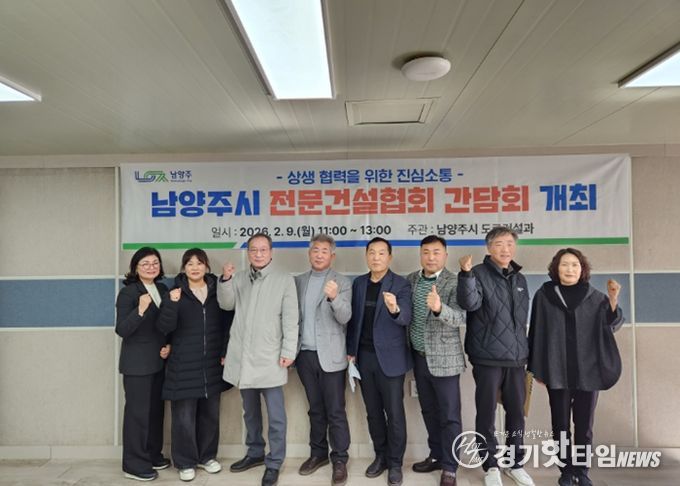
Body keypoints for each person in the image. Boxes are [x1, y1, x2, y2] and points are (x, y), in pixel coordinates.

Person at [528, 248, 623, 486]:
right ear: (556, 268)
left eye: (574, 265)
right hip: (556, 369)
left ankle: (581, 471)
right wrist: (537, 367)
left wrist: (613, 300)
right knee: (560, 424)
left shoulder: (596, 297)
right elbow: (537, 332)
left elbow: (612, 325)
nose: (569, 269)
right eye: (564, 264)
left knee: (584, 425)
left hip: (588, 372)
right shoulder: (544, 295)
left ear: (582, 270)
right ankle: (566, 471)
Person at [217, 233, 299, 486]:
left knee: (276, 416)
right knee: (250, 412)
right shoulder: (239, 277)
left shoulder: (284, 280)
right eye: (254, 250)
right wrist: (226, 280)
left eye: (263, 250)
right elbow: (226, 304)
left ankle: (274, 462)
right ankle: (254, 453)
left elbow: (291, 319)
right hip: (244, 357)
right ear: (248, 253)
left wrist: (288, 351)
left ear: (271, 253)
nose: (258, 254)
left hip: (270, 357)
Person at [457, 227, 534, 486]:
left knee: (516, 413)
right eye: (499, 244)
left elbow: (521, 321)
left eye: (510, 243)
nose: (505, 249)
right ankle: (490, 466)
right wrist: (466, 274)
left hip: (517, 358)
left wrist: (527, 354)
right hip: (487, 357)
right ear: (489, 247)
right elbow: (469, 304)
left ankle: (515, 463)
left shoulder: (520, 279)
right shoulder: (477, 273)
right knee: (486, 414)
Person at [157, 248, 231, 482]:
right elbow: (164, 327)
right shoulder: (175, 293)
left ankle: (207, 457)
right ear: (184, 268)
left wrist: (225, 352)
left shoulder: (217, 291)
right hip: (183, 364)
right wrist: (172, 303)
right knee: (184, 418)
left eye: (199, 263)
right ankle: (185, 461)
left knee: (210, 414)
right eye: (190, 264)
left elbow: (227, 324)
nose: (195, 267)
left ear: (207, 266)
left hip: (212, 363)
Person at [346, 237, 412, 486]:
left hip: (391, 360)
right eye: (371, 252)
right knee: (373, 413)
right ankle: (381, 456)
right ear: (366, 256)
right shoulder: (359, 283)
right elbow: (354, 321)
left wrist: (394, 308)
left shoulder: (401, 284)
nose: (376, 257)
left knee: (394, 414)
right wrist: (351, 351)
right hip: (364, 358)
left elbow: (405, 318)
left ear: (389, 257)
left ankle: (395, 463)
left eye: (381, 253)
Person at [406, 235, 466, 486]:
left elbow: (462, 317)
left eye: (436, 252)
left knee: (449, 415)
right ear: (420, 254)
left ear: (445, 255)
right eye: (426, 252)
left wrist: (440, 308)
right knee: (429, 410)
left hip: (446, 360)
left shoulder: (455, 281)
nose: (431, 257)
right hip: (419, 358)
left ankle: (450, 466)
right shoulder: (411, 279)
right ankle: (436, 455)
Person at [294, 234, 352, 486]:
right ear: (309, 254)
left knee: (335, 410)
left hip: (331, 356)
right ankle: (317, 454)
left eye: (324, 251)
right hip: (304, 355)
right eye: (315, 250)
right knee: (315, 408)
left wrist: (334, 297)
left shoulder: (342, 282)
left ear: (332, 256)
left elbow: (346, 317)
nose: (319, 255)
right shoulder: (298, 281)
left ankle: (339, 459)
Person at [116, 247, 171, 481]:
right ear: (135, 268)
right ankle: (134, 464)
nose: (151, 267)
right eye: (145, 263)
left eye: (155, 263)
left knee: (155, 412)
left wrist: (169, 345)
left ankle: (152, 455)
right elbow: (122, 329)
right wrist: (139, 310)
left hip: (158, 362)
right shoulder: (128, 293)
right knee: (137, 415)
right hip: (137, 364)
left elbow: (165, 323)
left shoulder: (162, 289)